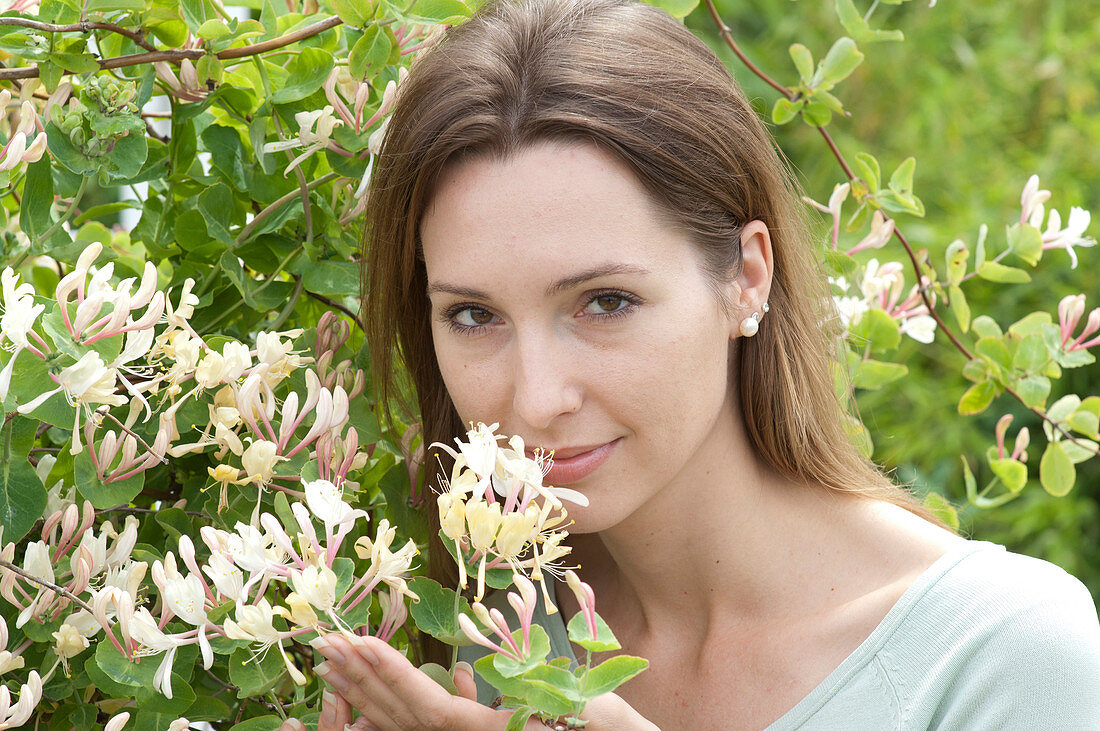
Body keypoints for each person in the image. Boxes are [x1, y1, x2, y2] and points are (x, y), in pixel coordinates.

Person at [282, 0, 1100, 727]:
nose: (535, 398)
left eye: (605, 302)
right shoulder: (485, 639)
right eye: (473, 315)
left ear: (746, 276)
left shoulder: (1000, 654)